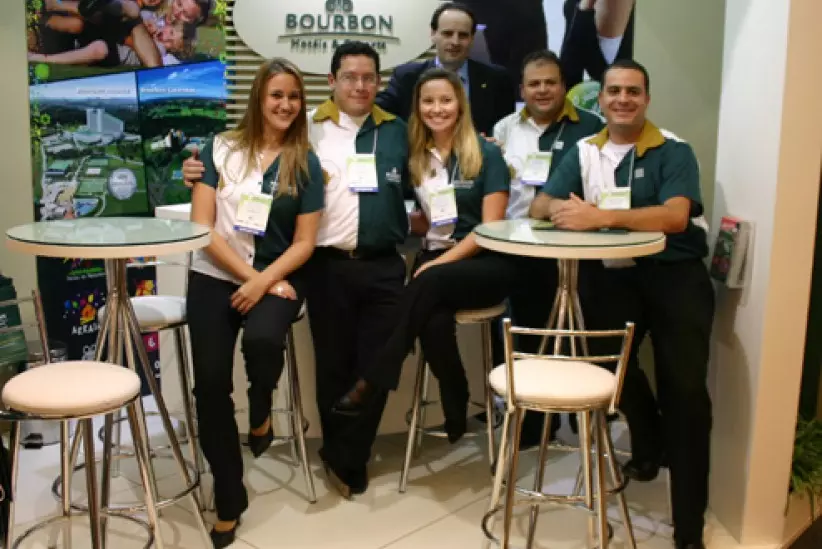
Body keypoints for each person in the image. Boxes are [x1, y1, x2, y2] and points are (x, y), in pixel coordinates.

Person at [183, 42, 411, 499]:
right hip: (322, 265)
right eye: (350, 77)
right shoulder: (306, 127)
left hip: (378, 262)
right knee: (331, 366)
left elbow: (440, 155)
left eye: (368, 77)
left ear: (378, 82)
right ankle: (329, 459)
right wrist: (192, 164)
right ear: (332, 81)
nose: (360, 85)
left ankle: (349, 453)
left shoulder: (398, 131)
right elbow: (223, 176)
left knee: (377, 365)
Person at [529, 59, 713, 549]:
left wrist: (600, 218)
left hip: (675, 274)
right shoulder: (585, 150)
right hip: (613, 277)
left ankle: (689, 526)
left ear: (646, 98)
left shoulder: (673, 149)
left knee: (686, 393)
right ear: (602, 99)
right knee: (612, 367)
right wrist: (565, 208)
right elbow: (539, 204)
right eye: (614, 91)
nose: (623, 99)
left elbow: (674, 217)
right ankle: (649, 443)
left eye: (633, 91)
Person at [333, 68, 515, 445]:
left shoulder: (487, 153)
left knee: (426, 279)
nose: (437, 108)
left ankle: (372, 379)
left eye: (446, 100)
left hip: (485, 264)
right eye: (428, 101)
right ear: (417, 107)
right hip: (435, 263)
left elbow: (489, 230)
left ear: (460, 105)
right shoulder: (414, 156)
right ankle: (455, 393)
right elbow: (407, 210)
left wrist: (437, 265)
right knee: (432, 323)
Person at [186, 58, 324, 548]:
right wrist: (251, 281)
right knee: (209, 386)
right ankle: (229, 494)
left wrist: (264, 281)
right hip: (214, 275)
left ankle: (261, 404)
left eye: (294, 96)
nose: (286, 104)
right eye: (276, 95)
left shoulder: (306, 162)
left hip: (278, 275)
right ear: (259, 99)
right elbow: (201, 229)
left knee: (264, 341)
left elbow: (305, 242)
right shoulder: (219, 148)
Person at [492, 49, 603, 447]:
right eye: (534, 84)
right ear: (522, 89)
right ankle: (535, 422)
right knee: (527, 334)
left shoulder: (591, 126)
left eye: (550, 83)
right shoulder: (505, 128)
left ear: (564, 86)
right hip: (520, 248)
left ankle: (580, 415)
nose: (542, 90)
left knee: (577, 334)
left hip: (575, 250)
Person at [376, 2, 515, 136]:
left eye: (463, 35)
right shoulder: (407, 77)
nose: (455, 42)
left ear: (472, 39)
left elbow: (506, 129)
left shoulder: (497, 79)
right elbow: (379, 112)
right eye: (447, 34)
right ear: (433, 34)